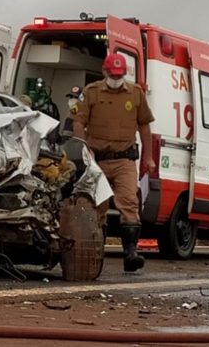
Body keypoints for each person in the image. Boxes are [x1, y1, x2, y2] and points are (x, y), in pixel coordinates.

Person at [72, 53, 155, 272]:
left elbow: (145, 126)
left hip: (124, 159)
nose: (115, 78)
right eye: (112, 74)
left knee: (129, 202)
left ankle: (130, 253)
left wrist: (148, 157)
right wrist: (83, 147)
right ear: (104, 71)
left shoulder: (136, 94)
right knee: (95, 206)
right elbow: (78, 122)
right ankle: (94, 254)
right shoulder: (91, 92)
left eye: (119, 75)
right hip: (97, 159)